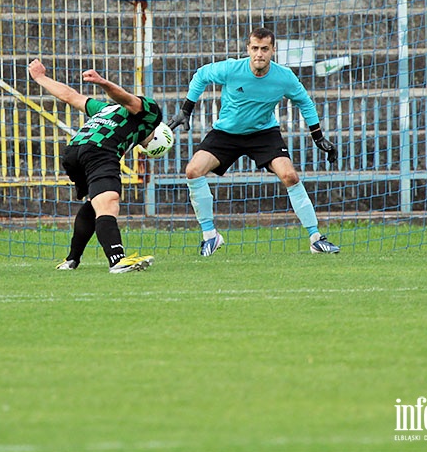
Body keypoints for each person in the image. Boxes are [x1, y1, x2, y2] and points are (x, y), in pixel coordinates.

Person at [167, 27, 340, 256]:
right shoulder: (231, 68)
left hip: (263, 133)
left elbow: (305, 102)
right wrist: (185, 110)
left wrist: (318, 137)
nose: (260, 54)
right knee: (193, 171)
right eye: (255, 48)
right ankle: (210, 236)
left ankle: (316, 238)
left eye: (265, 49)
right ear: (248, 49)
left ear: (273, 51)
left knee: (290, 175)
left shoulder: (284, 77)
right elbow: (200, 75)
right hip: (226, 133)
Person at [28, 58, 164, 273]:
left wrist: (40, 77)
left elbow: (70, 96)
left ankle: (71, 259)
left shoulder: (105, 109)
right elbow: (127, 98)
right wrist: (102, 82)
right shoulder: (151, 114)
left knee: (95, 203)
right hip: (100, 150)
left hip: (74, 152)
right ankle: (117, 260)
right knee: (108, 202)